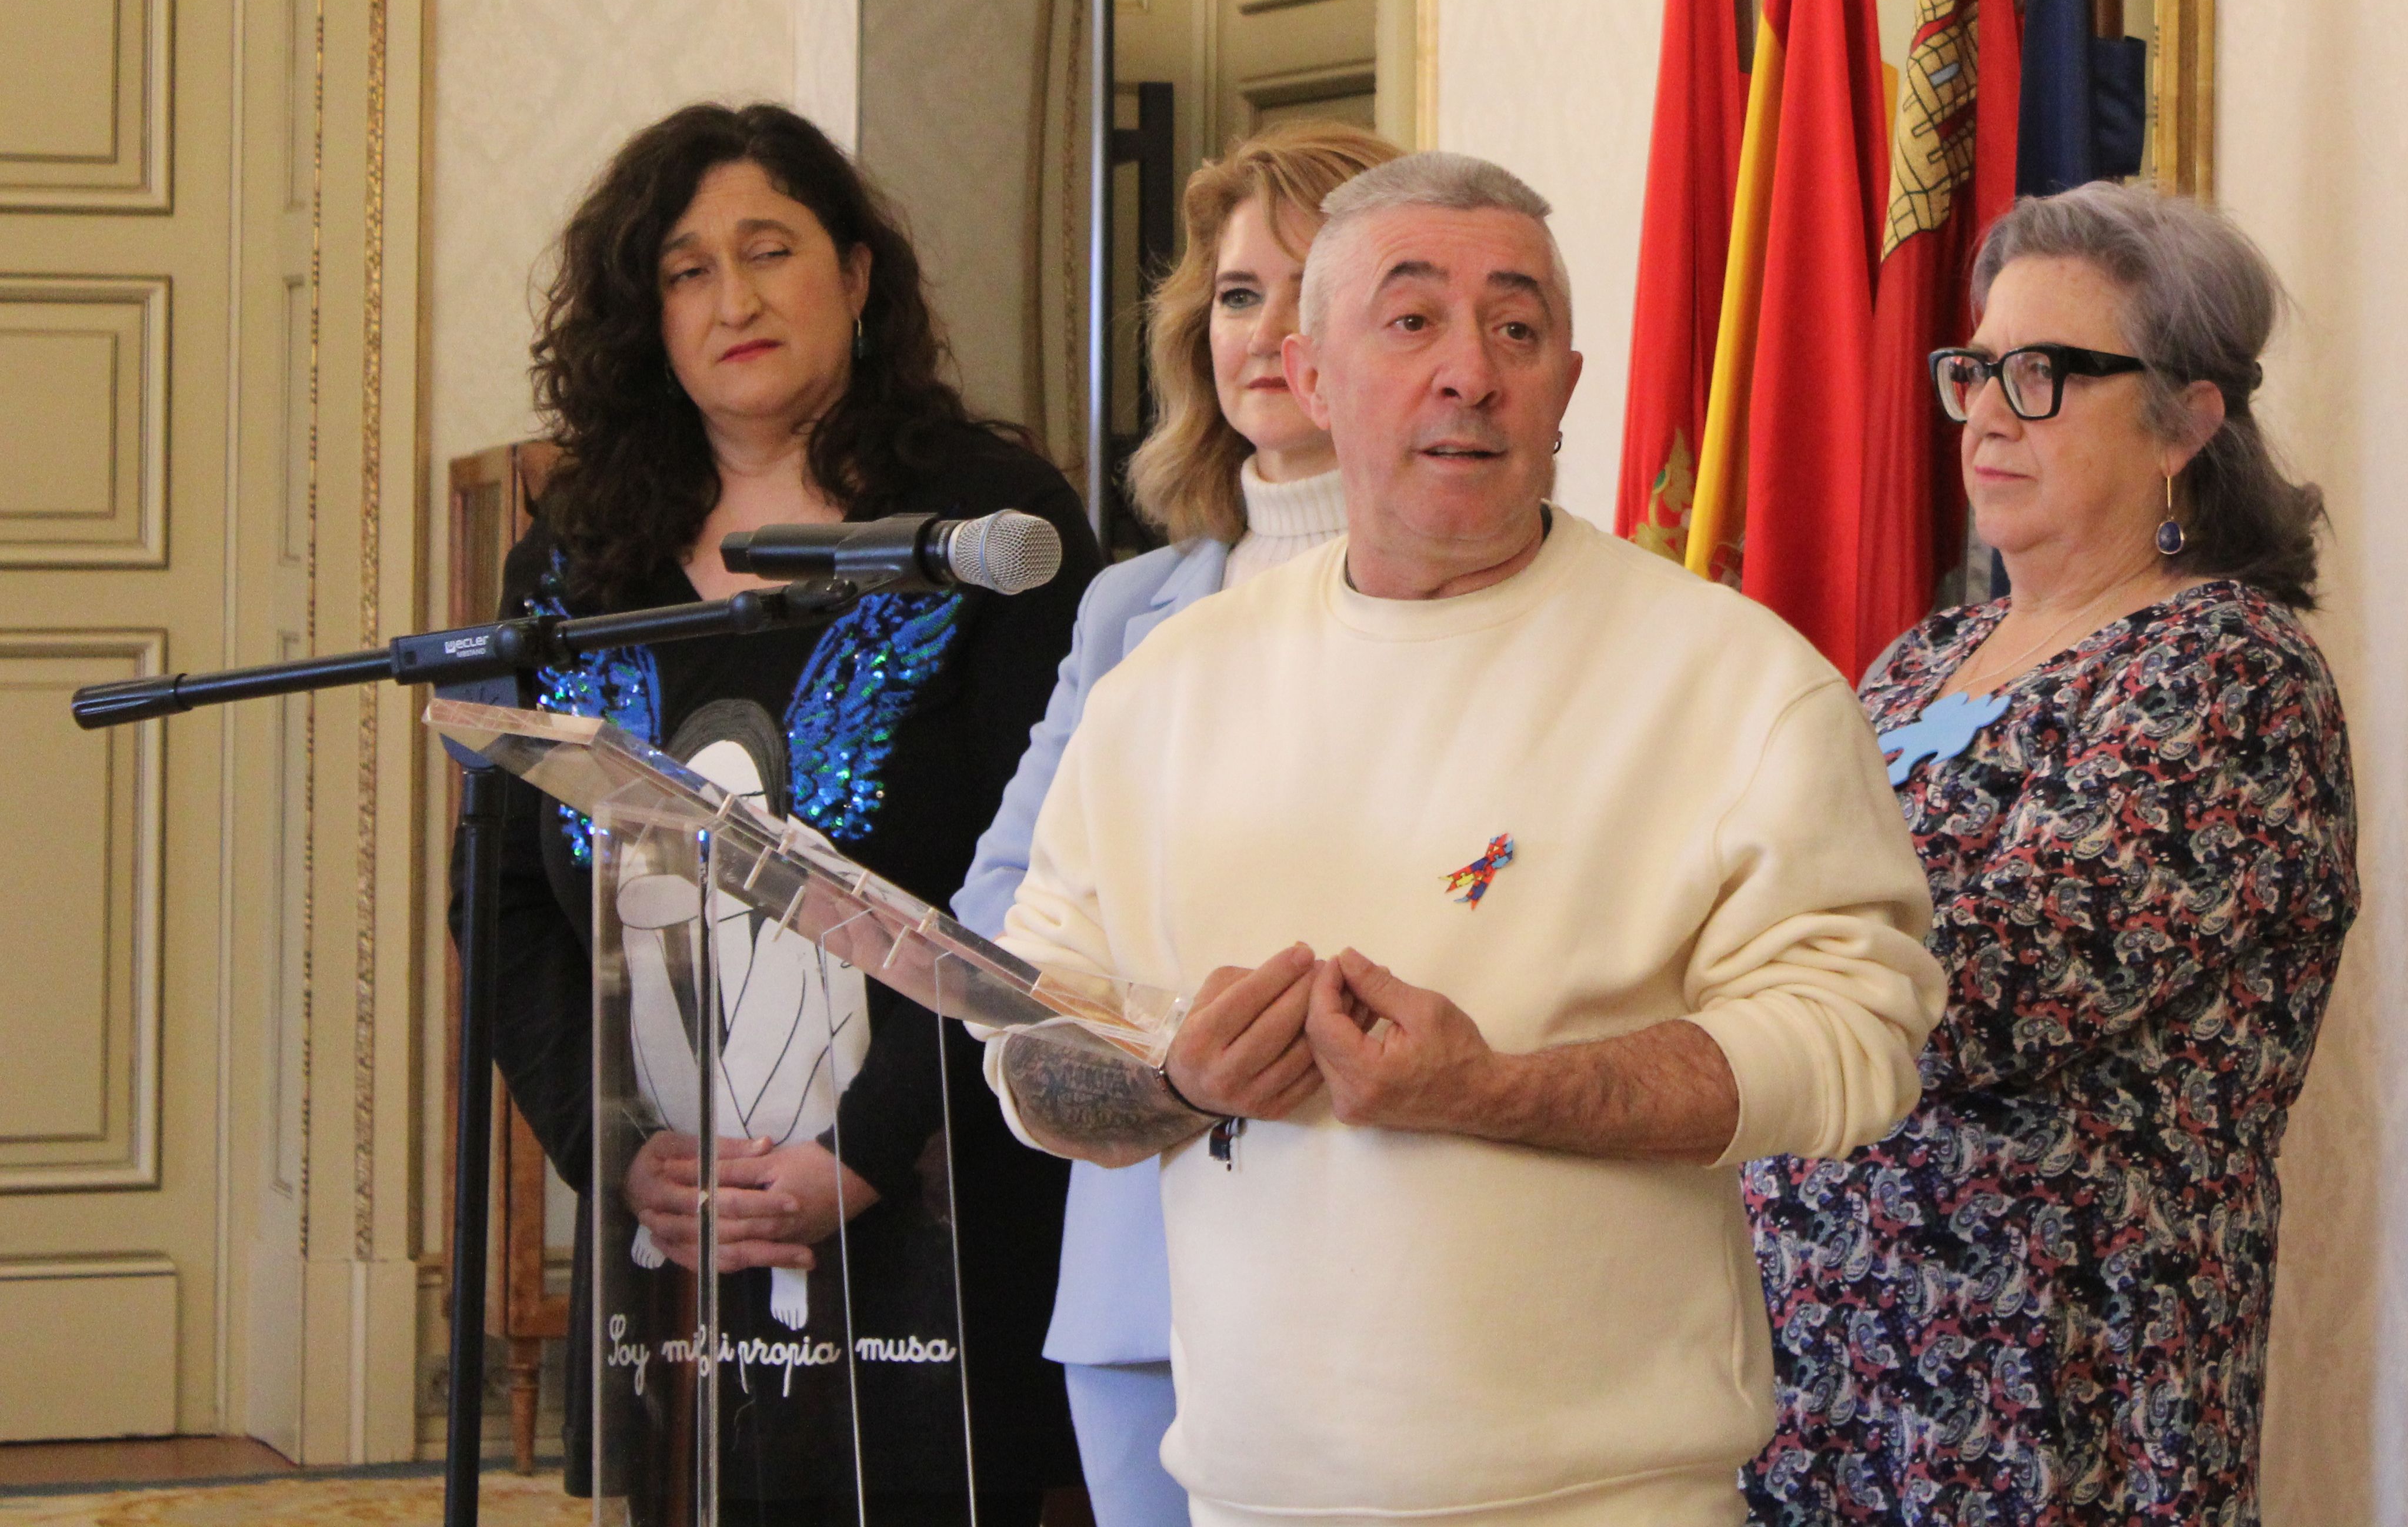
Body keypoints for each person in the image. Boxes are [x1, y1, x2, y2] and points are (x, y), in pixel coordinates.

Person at [981, 150, 1946, 1527]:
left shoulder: (1736, 679)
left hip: (1608, 1498)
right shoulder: (1167, 690)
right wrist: (1177, 1083)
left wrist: (1494, 1090)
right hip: (1251, 1492)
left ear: (1566, 378)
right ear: (1310, 375)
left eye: (1517, 326)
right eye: (1413, 318)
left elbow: (1855, 1039)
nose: (1471, 371)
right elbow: (1030, 1049)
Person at [469, 102, 1094, 1523]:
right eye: (687, 269)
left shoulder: (987, 527)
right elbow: (502, 898)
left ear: (859, 274)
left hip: (945, 1209)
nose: (734, 298)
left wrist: (859, 1158)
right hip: (682, 1241)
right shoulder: (574, 558)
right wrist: (618, 1154)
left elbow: (1050, 881)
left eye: (770, 250)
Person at [1740, 182, 2356, 1527]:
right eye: (1975, 368)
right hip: (1813, 1384)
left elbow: (1990, 985)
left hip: (2040, 1395)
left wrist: (1722, 910)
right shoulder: (1918, 661)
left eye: (2045, 373)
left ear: (2188, 418)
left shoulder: (2228, 671)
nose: (1988, 411)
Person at [951, 118, 1398, 1527]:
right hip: (1140, 1245)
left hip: (1387, 1244)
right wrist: (1164, 1040)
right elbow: (999, 909)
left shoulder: (1475, 590)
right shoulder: (1124, 607)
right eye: (1236, 291)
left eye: (1308, 282)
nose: (1265, 329)